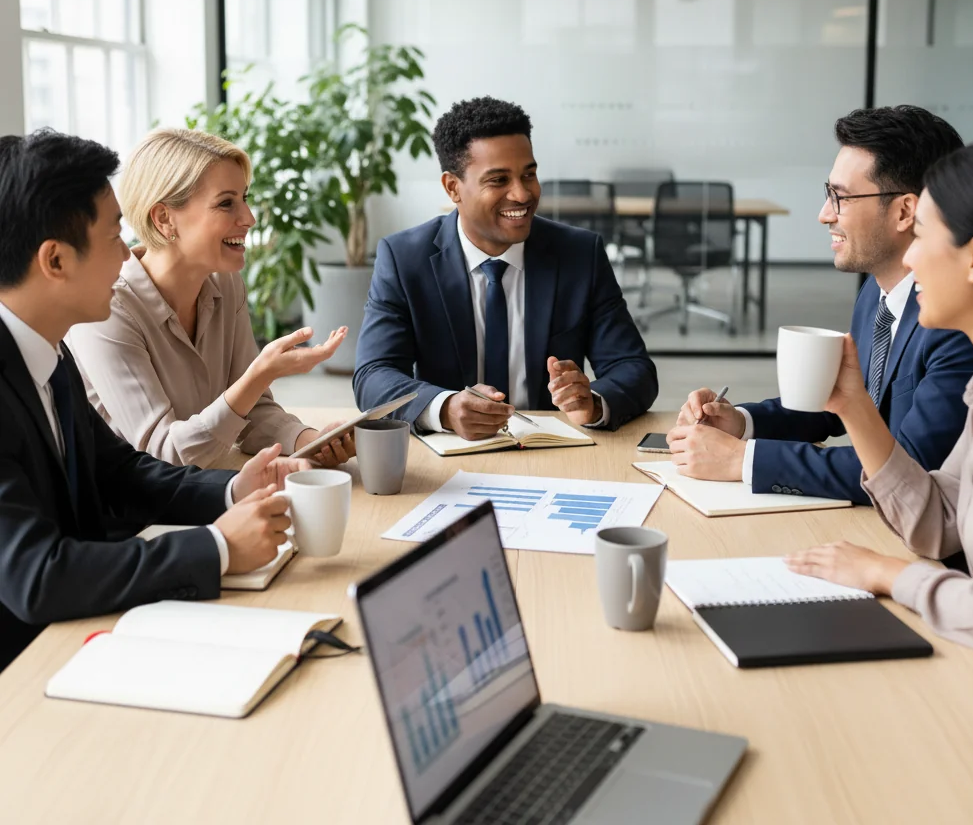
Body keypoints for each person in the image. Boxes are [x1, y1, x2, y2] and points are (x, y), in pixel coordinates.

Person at [0, 129, 307, 672]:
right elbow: (37, 576)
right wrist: (216, 548)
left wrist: (233, 489)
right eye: (115, 235)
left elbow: (120, 471)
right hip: (27, 669)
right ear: (55, 261)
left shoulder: (47, 350)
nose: (127, 254)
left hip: (91, 628)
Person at [786, 137, 973, 660]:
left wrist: (889, 573)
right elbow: (940, 519)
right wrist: (853, 407)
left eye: (922, 236)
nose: (910, 258)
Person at [668, 105, 973, 504]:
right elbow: (842, 405)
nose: (823, 215)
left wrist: (743, 461)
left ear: (905, 211)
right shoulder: (876, 293)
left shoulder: (956, 323)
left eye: (841, 197)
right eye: (827, 193)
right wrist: (742, 423)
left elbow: (907, 471)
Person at [354, 96, 658, 439]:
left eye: (529, 174)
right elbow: (373, 375)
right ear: (453, 187)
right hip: (450, 455)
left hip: (553, 450)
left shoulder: (579, 254)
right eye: (499, 180)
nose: (522, 194)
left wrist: (594, 403)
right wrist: (446, 408)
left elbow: (634, 368)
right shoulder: (404, 258)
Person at [68, 128, 354, 470]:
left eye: (244, 198)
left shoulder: (225, 282)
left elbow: (254, 412)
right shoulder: (109, 309)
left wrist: (311, 441)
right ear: (164, 219)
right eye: (226, 203)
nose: (248, 218)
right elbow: (162, 455)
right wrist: (257, 376)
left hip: (202, 488)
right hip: (130, 515)